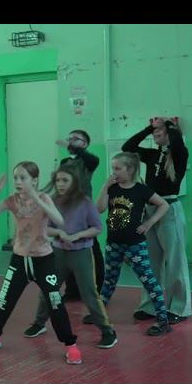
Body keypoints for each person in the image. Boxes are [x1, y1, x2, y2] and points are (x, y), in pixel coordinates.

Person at [0, 161, 82, 365]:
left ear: (35, 180)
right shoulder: (12, 200)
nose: (18, 182)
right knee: (4, 299)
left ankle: (70, 345)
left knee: (55, 302)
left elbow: (59, 221)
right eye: (16, 178)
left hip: (43, 260)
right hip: (19, 260)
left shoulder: (44, 198)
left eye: (23, 178)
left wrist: (36, 198)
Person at [24, 166, 117, 348]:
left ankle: (108, 332)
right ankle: (39, 323)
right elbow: (43, 227)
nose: (61, 184)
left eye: (65, 180)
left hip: (81, 254)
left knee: (89, 294)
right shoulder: (51, 202)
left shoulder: (85, 203)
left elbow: (97, 228)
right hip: (58, 253)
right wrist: (59, 233)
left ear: (74, 182)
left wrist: (77, 235)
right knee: (49, 289)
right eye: (58, 180)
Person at [122, 117, 192, 324]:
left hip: (169, 209)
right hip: (150, 211)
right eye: (155, 131)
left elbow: (177, 143)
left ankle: (179, 308)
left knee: (175, 261)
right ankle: (150, 305)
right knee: (151, 262)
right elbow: (128, 147)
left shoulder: (179, 153)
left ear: (170, 133)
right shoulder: (152, 155)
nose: (156, 133)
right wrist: (148, 128)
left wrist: (169, 124)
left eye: (160, 130)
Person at [96, 152, 171, 336]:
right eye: (113, 168)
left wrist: (149, 223)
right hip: (113, 243)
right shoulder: (113, 188)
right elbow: (99, 208)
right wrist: (105, 186)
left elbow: (164, 205)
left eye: (117, 168)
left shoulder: (141, 190)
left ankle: (163, 320)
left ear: (129, 170)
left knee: (148, 280)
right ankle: (98, 314)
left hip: (135, 244)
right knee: (109, 279)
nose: (114, 172)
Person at [55, 129, 104, 300]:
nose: (71, 141)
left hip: (84, 211)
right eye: (70, 138)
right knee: (68, 249)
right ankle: (72, 291)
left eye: (76, 139)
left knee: (91, 250)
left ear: (85, 144)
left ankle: (97, 289)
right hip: (67, 210)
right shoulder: (65, 161)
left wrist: (70, 145)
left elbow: (89, 158)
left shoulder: (90, 161)